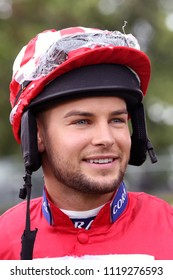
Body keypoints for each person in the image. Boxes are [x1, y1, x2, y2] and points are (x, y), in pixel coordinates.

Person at [0, 26, 173, 260]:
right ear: (37, 134)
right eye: (82, 121)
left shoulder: (168, 227)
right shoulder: (5, 239)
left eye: (117, 120)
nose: (106, 138)